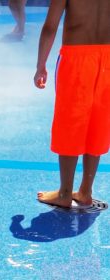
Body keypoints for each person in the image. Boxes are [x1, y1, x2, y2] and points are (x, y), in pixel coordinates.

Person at [34, 0, 110, 209]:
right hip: (108, 56)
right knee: (99, 123)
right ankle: (86, 191)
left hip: (77, 58)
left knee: (70, 122)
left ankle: (65, 193)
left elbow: (50, 27)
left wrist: (41, 65)